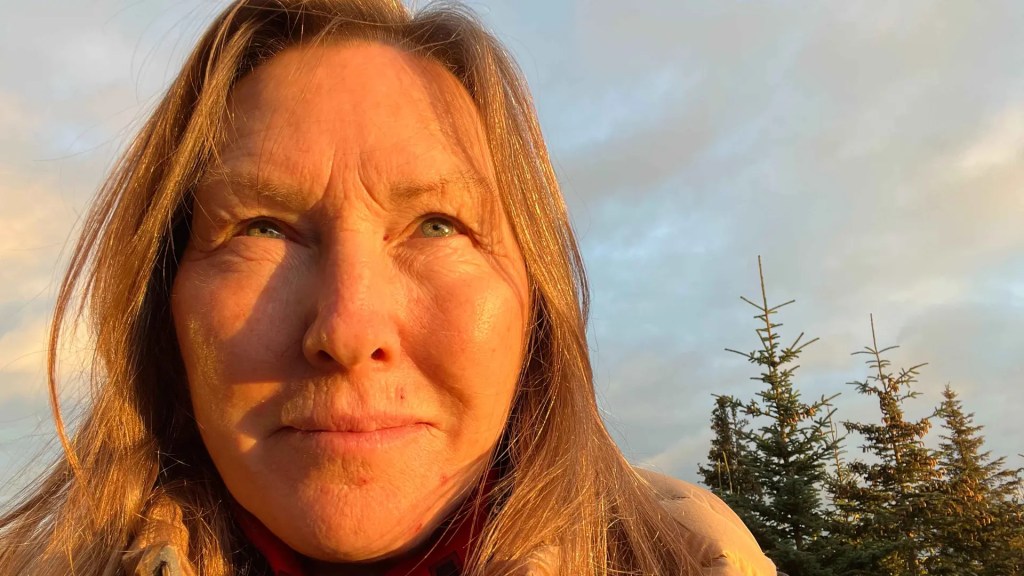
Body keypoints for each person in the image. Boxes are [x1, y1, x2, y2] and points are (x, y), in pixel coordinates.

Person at [0, 1, 777, 574]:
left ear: (536, 309)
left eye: (438, 225)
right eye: (262, 228)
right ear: (162, 309)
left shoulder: (696, 561)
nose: (347, 328)